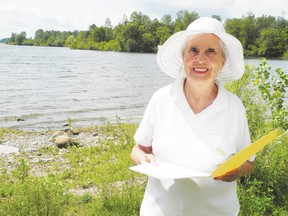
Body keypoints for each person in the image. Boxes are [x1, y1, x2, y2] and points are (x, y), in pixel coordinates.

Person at [130, 17, 256, 216]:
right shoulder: (161, 98)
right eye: (193, 50)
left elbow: (249, 161)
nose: (200, 59)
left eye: (211, 51)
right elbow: (138, 148)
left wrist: (237, 171)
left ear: (222, 62)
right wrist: (142, 159)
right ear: (183, 58)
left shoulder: (235, 107)